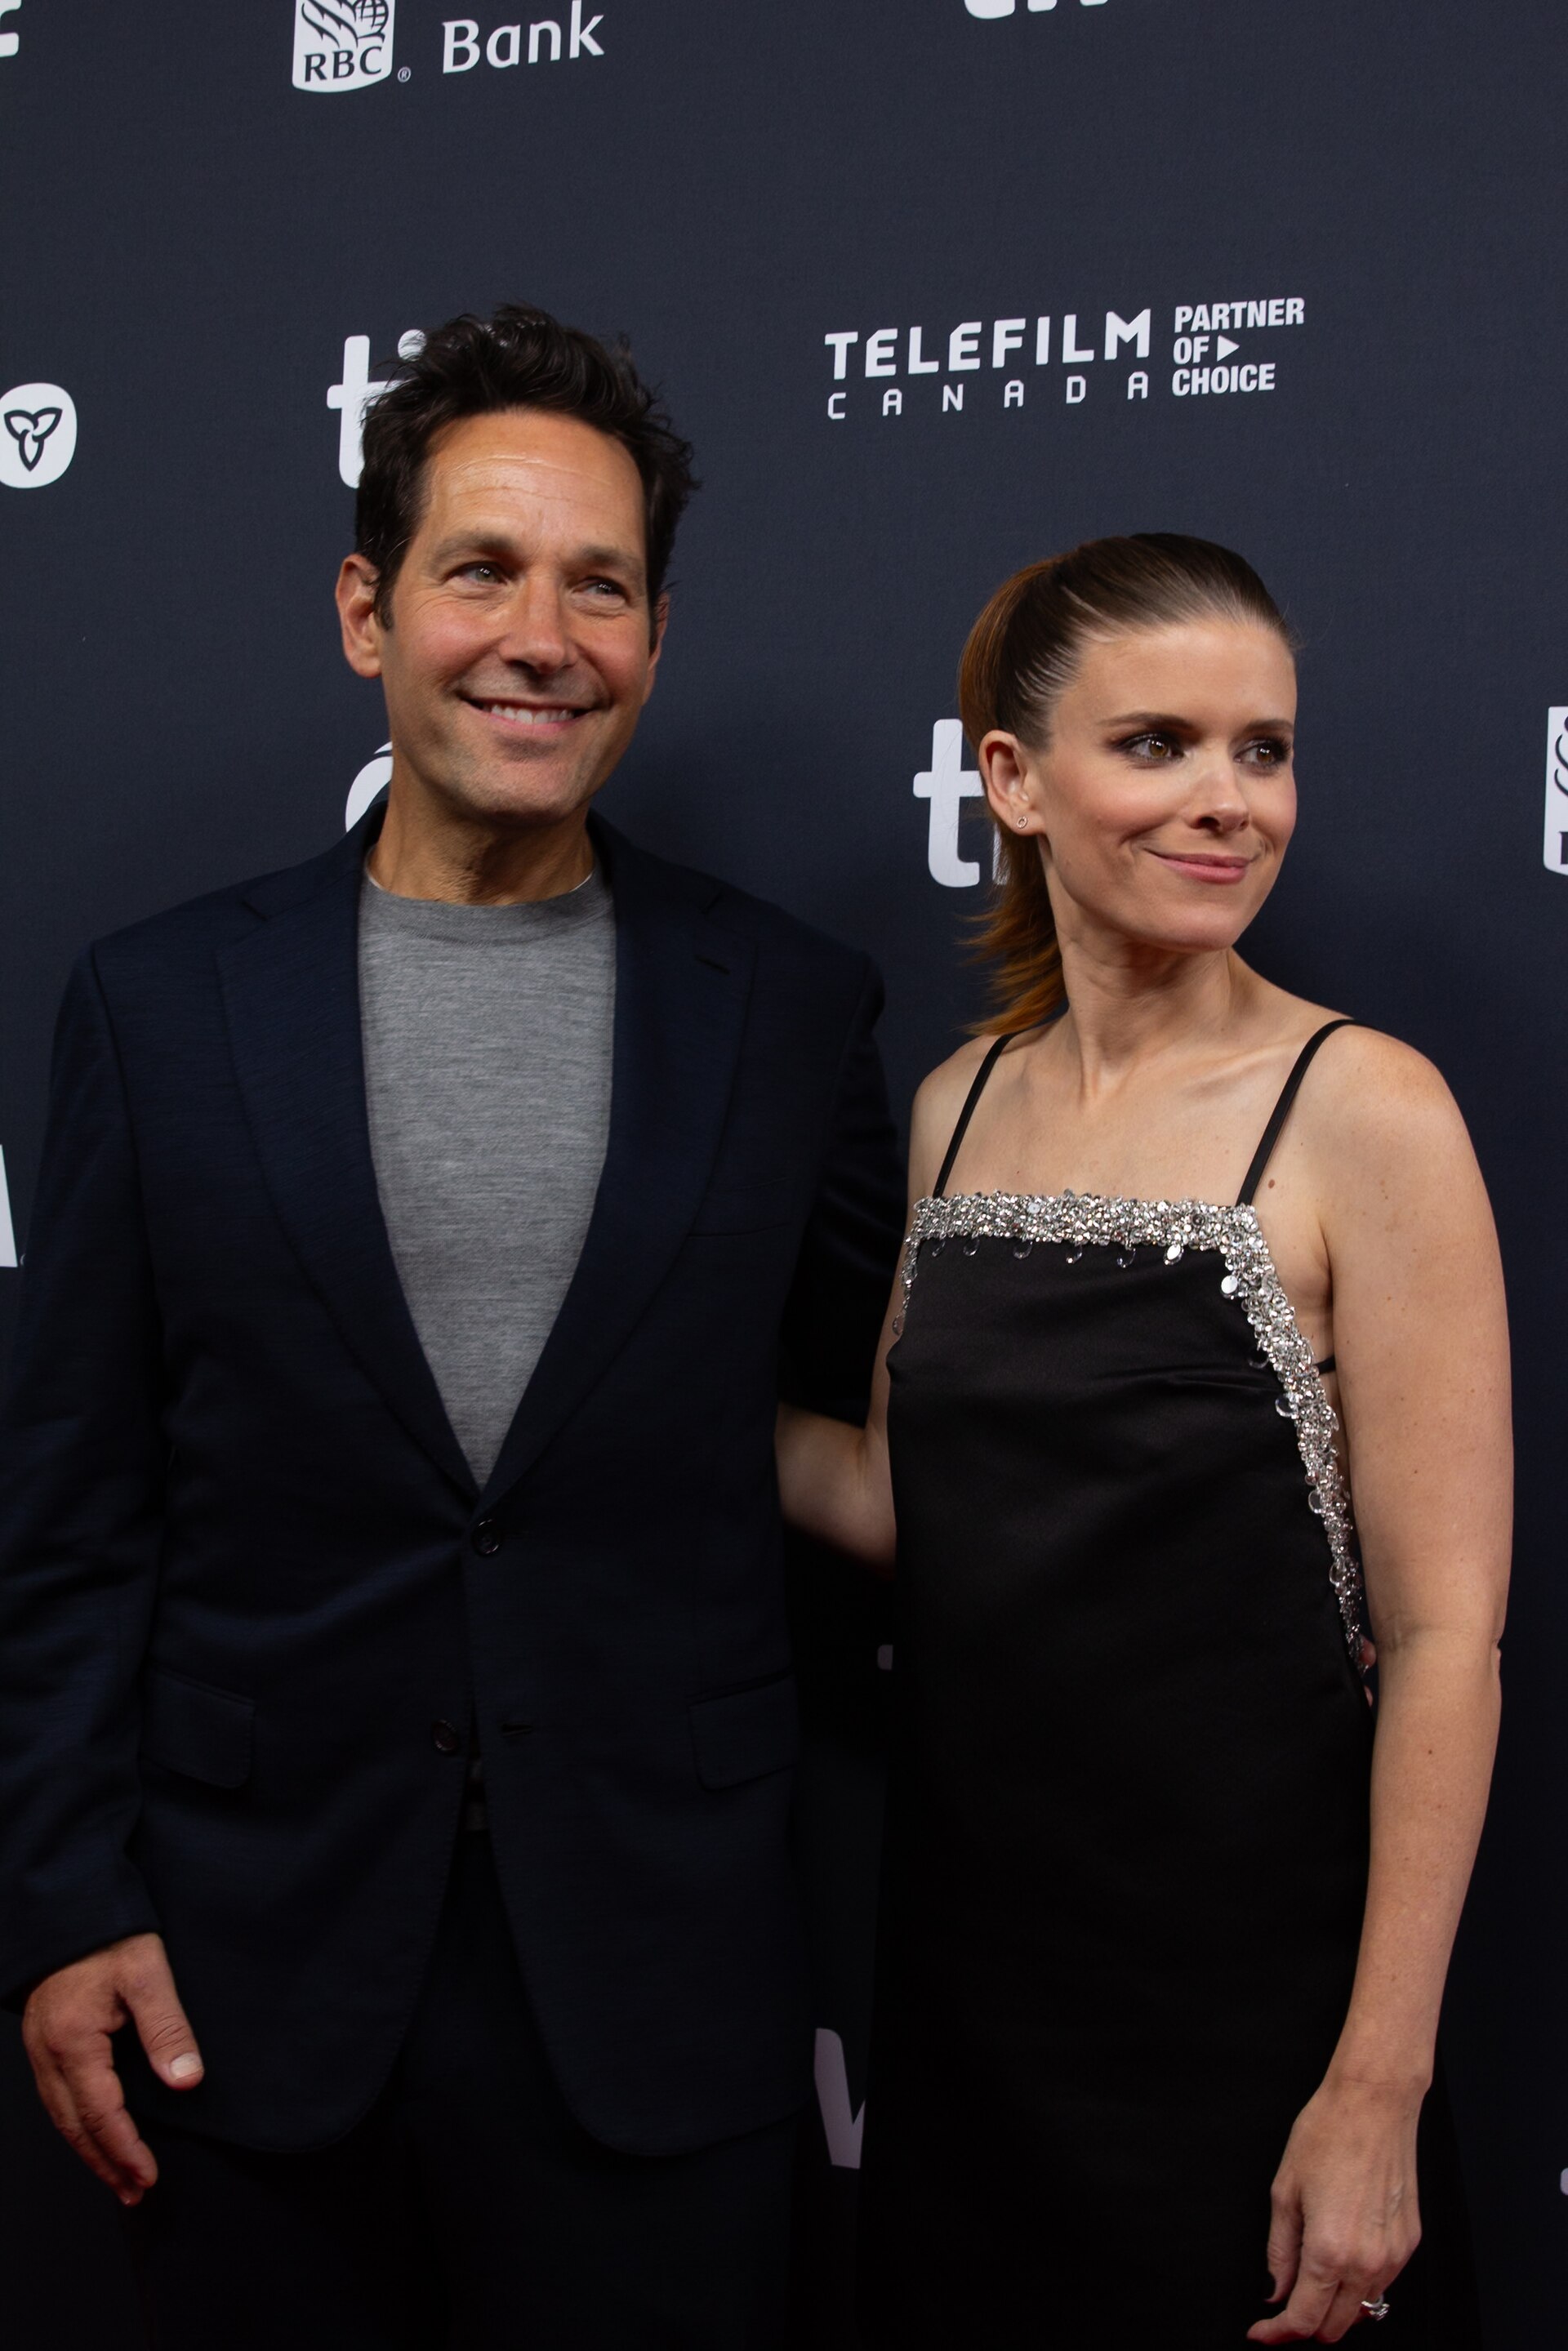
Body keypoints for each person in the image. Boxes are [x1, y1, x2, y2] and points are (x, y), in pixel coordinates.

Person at [0, 304, 904, 2349]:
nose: (542, 634)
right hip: (246, 1985)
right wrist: (63, 1906)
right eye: (481, 568)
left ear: (656, 640)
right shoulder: (155, 1010)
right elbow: (73, 1508)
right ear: (364, 610)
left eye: (603, 585)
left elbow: (875, 1432)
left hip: (660, 1990)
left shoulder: (789, 1013)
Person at [777, 536, 1509, 2347]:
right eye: (1161, 744)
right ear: (1013, 782)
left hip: (1250, 2028)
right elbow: (898, 1497)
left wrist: (1376, 2089)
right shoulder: (958, 1103)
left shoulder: (1368, 1109)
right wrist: (635, 1395)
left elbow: (1442, 1638)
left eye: (1263, 749)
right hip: (971, 2006)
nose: (1228, 802)